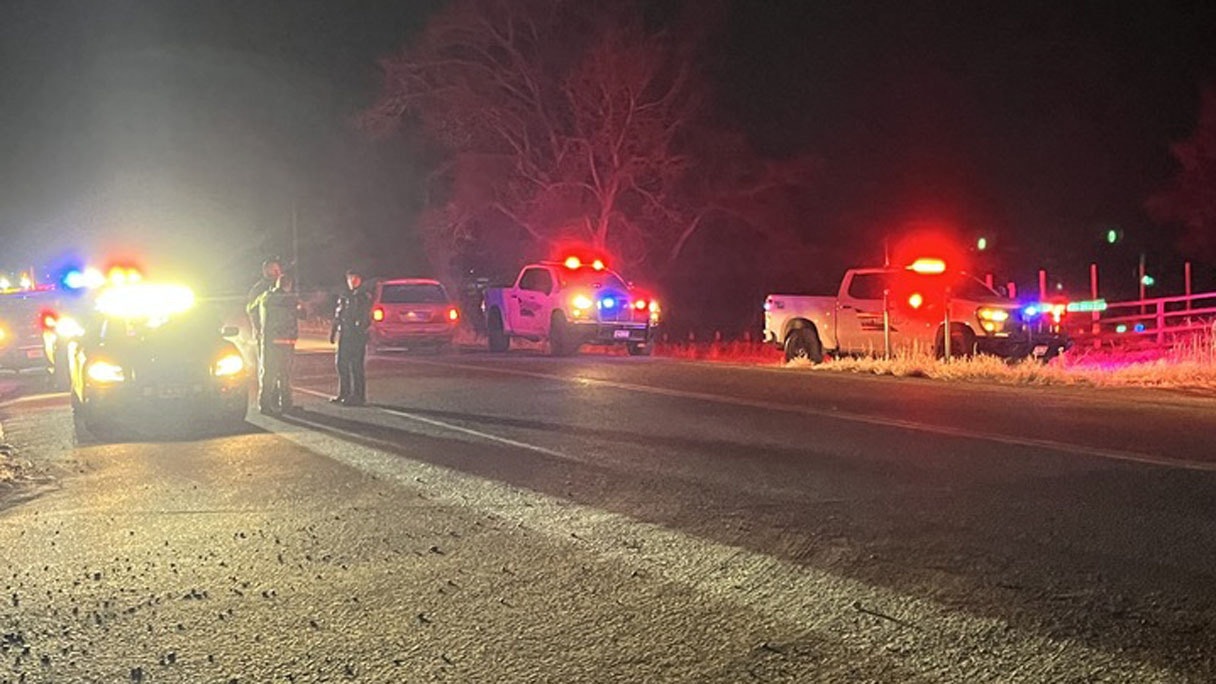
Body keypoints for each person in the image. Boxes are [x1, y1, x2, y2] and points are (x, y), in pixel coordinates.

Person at [254, 273, 301, 415]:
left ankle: (265, 405)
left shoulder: (265, 297)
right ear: (288, 285)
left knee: (268, 374)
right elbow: (302, 313)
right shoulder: (289, 299)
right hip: (285, 342)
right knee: (284, 375)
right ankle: (286, 404)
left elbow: (251, 308)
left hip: (269, 341)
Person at [330, 269, 372, 406]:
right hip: (345, 335)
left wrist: (360, 329)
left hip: (357, 336)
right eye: (350, 278)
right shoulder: (344, 296)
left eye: (355, 278)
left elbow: (366, 317)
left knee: (356, 366)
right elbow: (338, 315)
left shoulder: (363, 297)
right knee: (341, 364)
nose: (352, 281)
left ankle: (358, 396)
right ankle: (344, 393)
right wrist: (333, 331)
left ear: (360, 280)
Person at [246, 256, 283, 346]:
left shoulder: (282, 287)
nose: (277, 272)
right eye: (273, 270)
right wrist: (256, 328)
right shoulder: (258, 289)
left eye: (277, 269)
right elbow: (251, 310)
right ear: (265, 271)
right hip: (265, 332)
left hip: (282, 331)